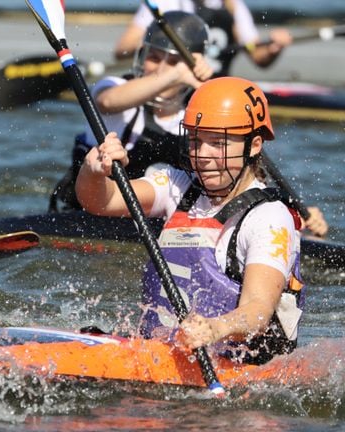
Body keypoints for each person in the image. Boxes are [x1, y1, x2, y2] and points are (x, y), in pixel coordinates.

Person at [75, 76, 305, 365]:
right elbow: (100, 201)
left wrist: (214, 329)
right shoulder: (177, 185)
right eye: (196, 141)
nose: (202, 156)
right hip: (165, 355)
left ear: (254, 144)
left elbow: (258, 311)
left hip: (242, 369)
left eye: (217, 143)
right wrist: (93, 170)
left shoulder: (269, 217)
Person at [50, 11, 213, 212]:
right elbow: (108, 101)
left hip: (151, 225)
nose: (160, 69)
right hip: (83, 217)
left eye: (172, 61)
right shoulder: (114, 87)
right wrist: (176, 72)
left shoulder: (198, 117)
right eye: (153, 57)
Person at [114, 0, 293, 77]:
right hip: (173, 94)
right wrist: (163, 39)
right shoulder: (166, 2)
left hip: (213, 93)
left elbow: (257, 56)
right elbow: (122, 50)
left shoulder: (232, 5)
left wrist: (272, 49)